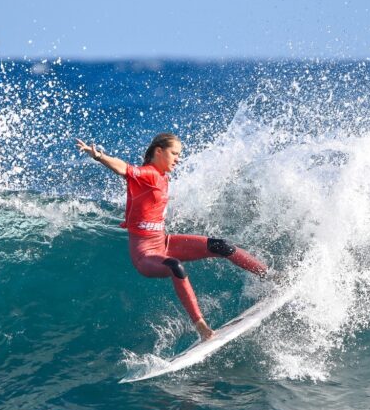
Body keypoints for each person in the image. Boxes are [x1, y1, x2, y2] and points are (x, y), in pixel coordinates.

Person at [76, 133, 269, 341]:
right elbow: (124, 169)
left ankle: (269, 275)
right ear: (159, 151)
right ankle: (202, 327)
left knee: (221, 246)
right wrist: (99, 157)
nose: (178, 159)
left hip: (164, 242)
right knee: (175, 267)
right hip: (146, 254)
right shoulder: (148, 173)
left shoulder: (162, 176)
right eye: (174, 153)